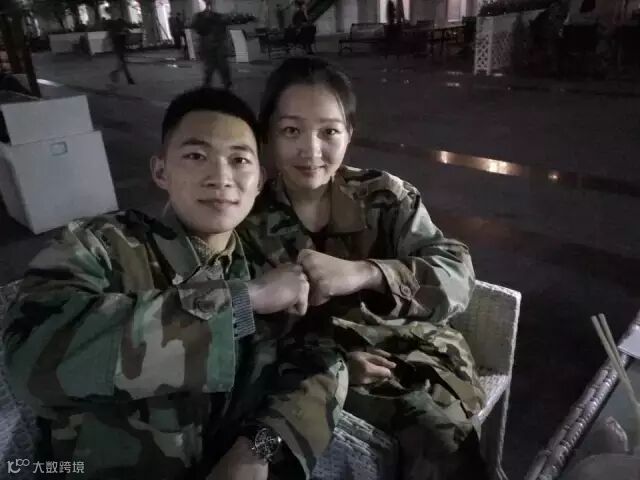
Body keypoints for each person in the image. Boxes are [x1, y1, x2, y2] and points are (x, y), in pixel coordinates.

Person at [2, 87, 348, 480]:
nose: (221, 178)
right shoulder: (102, 248)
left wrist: (257, 449)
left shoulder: (267, 267)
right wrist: (241, 302)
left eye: (239, 160)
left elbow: (324, 366)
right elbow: (30, 361)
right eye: (196, 156)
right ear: (161, 171)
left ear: (258, 181)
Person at [240, 57, 488, 480]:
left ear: (349, 134)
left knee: (455, 445)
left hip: (413, 349)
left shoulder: (383, 196)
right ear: (268, 135)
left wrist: (366, 273)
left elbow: (456, 273)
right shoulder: (245, 218)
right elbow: (238, 330)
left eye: (329, 131)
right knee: (440, 443)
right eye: (291, 131)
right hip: (313, 372)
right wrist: (339, 370)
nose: (311, 150)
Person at [192, 0, 232, 89]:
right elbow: (197, 28)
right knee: (210, 66)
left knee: (221, 65)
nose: (208, 4)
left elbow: (224, 28)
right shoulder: (200, 16)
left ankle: (225, 82)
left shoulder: (218, 16)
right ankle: (208, 83)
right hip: (208, 44)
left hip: (217, 44)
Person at [105, 12, 135, 85]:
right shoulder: (115, 28)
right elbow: (128, 33)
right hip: (119, 47)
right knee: (123, 62)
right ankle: (128, 78)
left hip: (119, 46)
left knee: (122, 62)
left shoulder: (116, 28)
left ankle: (116, 74)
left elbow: (110, 37)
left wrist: (124, 33)